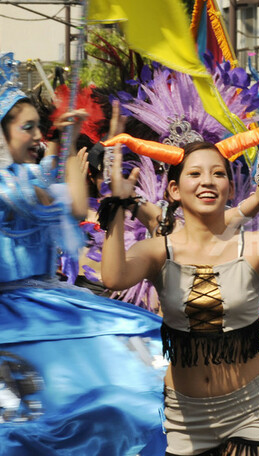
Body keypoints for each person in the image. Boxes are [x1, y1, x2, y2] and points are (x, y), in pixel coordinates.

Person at [101, 122, 259, 455]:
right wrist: (117, 206)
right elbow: (113, 278)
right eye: (194, 174)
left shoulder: (257, 245)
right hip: (186, 419)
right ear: (174, 190)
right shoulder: (157, 251)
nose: (207, 181)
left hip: (251, 412)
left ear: (228, 186)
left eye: (218, 174)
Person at [0, 51, 165, 455]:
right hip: (14, 314)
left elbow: (68, 197)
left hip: (45, 300)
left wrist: (69, 141)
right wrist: (62, 147)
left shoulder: (27, 175)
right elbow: (58, 202)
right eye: (27, 128)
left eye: (38, 126)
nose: (37, 135)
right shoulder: (8, 185)